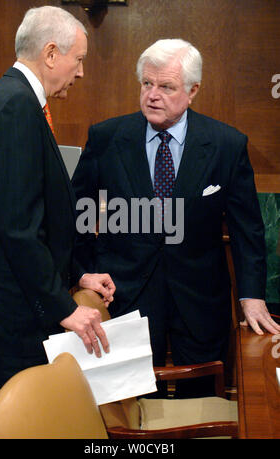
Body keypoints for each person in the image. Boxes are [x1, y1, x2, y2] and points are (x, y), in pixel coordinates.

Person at [72, 38, 280, 397]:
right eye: (146, 84)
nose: (153, 95)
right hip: (123, 296)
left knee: (200, 403)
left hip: (199, 299)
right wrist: (81, 271)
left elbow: (248, 231)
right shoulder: (106, 138)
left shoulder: (226, 144)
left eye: (166, 87)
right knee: (126, 409)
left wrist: (251, 296)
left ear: (192, 90)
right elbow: (75, 215)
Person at [0, 6, 115, 413]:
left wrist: (78, 274)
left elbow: (39, 218)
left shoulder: (12, 99)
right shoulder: (16, 107)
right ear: (52, 53)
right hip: (14, 322)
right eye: (79, 60)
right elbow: (18, 228)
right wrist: (65, 308)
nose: (81, 72)